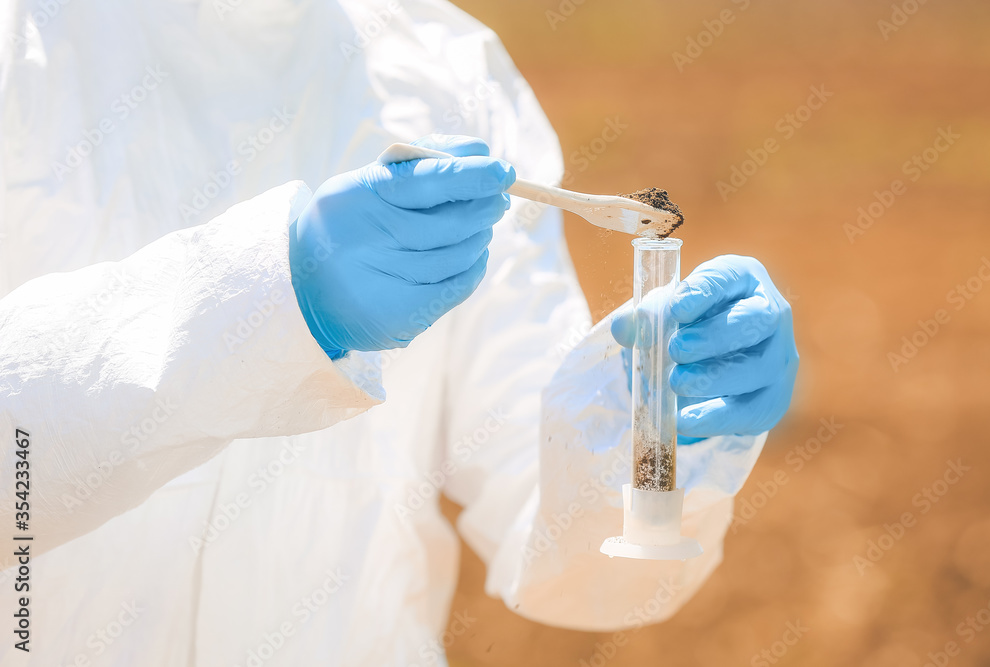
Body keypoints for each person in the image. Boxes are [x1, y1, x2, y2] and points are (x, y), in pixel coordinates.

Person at [0, 0, 798, 665]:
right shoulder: (27, 45)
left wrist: (653, 425)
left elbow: (566, 554)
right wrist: (274, 299)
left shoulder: (448, 75)